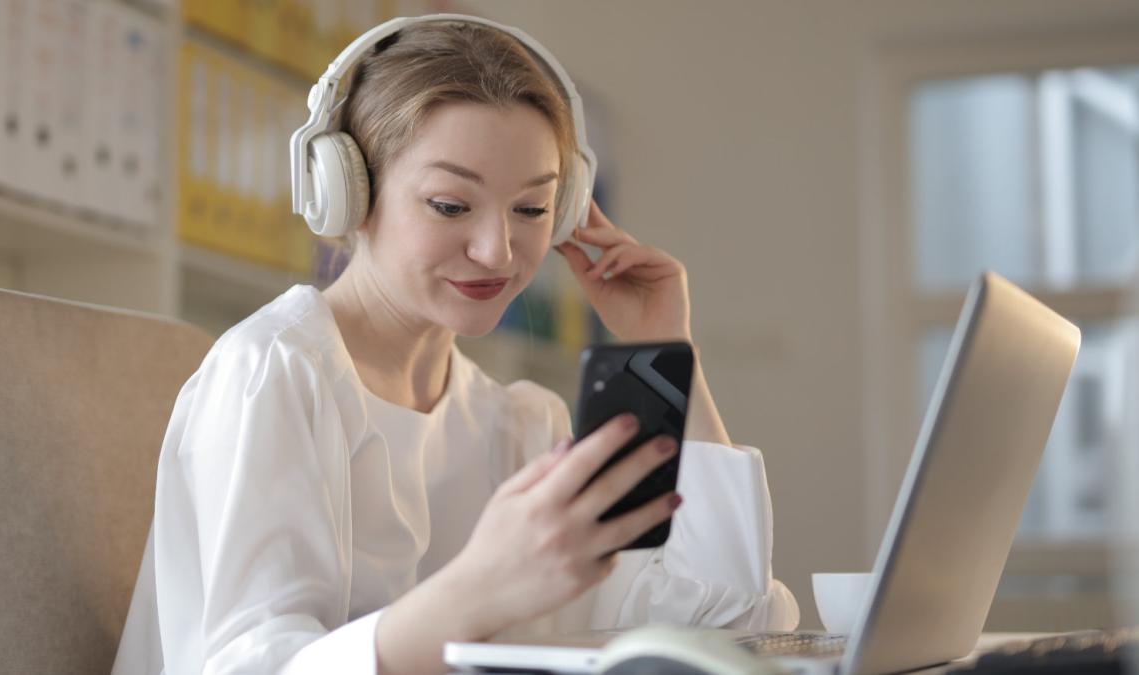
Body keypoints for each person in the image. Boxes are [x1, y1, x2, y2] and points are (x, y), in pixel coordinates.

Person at [112, 15, 798, 675]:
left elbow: (729, 625)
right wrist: (479, 585)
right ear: (348, 193)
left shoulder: (520, 423)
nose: (498, 250)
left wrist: (666, 345)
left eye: (531, 209)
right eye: (450, 204)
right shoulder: (271, 374)